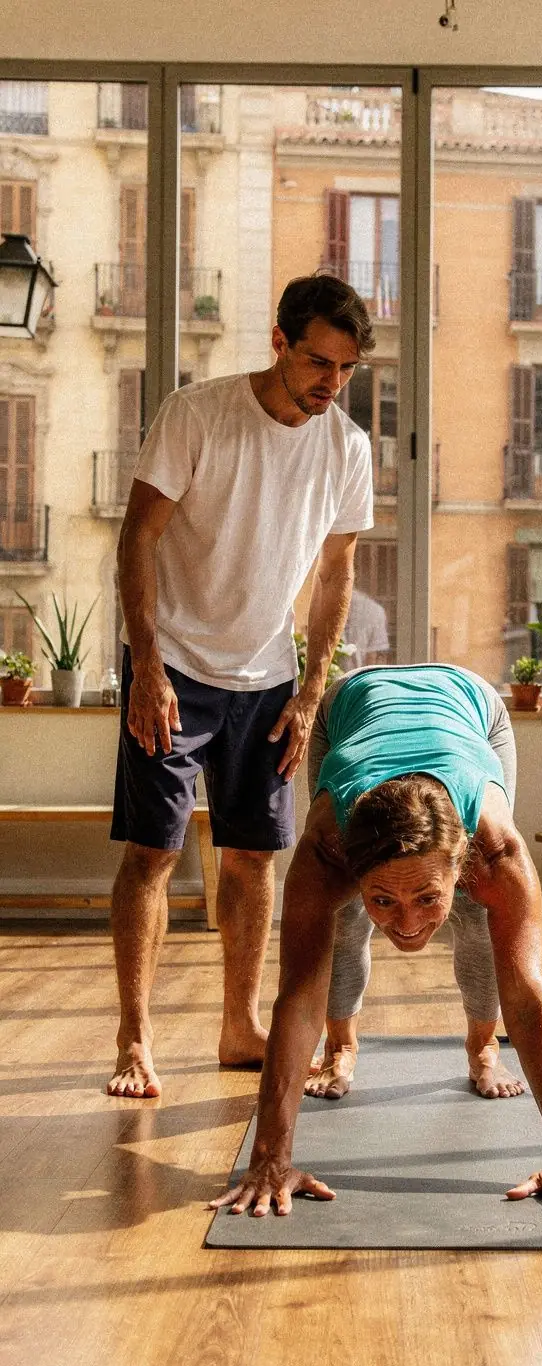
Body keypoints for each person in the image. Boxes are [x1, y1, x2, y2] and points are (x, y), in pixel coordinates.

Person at [210, 664, 542, 1222]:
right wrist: (268, 1160)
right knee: (343, 924)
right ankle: (342, 1048)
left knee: (484, 922)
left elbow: (529, 994)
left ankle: (481, 1048)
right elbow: (297, 994)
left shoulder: (497, 852)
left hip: (471, 703)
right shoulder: (323, 852)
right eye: (384, 898)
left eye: (428, 899)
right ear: (350, 867)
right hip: (353, 705)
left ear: (463, 866)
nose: (407, 925)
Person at [107, 273, 375, 1101]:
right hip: (175, 665)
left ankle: (238, 1026)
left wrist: (309, 690)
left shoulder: (347, 449)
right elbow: (138, 538)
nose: (331, 383)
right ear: (280, 343)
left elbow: (337, 575)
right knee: (153, 852)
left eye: (346, 369)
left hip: (269, 677)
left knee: (255, 857)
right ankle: (135, 1038)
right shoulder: (197, 414)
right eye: (318, 363)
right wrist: (146, 662)